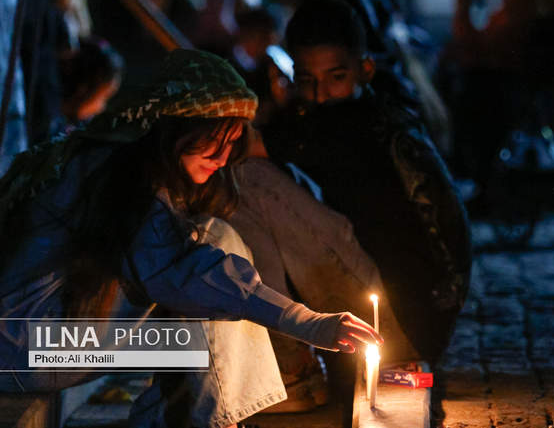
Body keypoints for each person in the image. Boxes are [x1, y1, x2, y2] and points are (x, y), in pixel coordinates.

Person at [0, 49, 381, 428]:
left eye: (232, 143)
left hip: (42, 349)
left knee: (210, 280)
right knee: (212, 252)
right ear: (177, 130)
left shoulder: (123, 161)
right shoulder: (117, 176)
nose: (222, 157)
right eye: (215, 140)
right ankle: (200, 421)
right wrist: (310, 323)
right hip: (34, 351)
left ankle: (188, 418)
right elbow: (184, 270)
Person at [262, 0, 472, 366]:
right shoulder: (329, 117)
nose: (320, 93)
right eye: (308, 80)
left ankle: (290, 364)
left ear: (366, 69)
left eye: (336, 77)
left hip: (398, 321)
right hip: (405, 317)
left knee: (253, 178)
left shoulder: (370, 128)